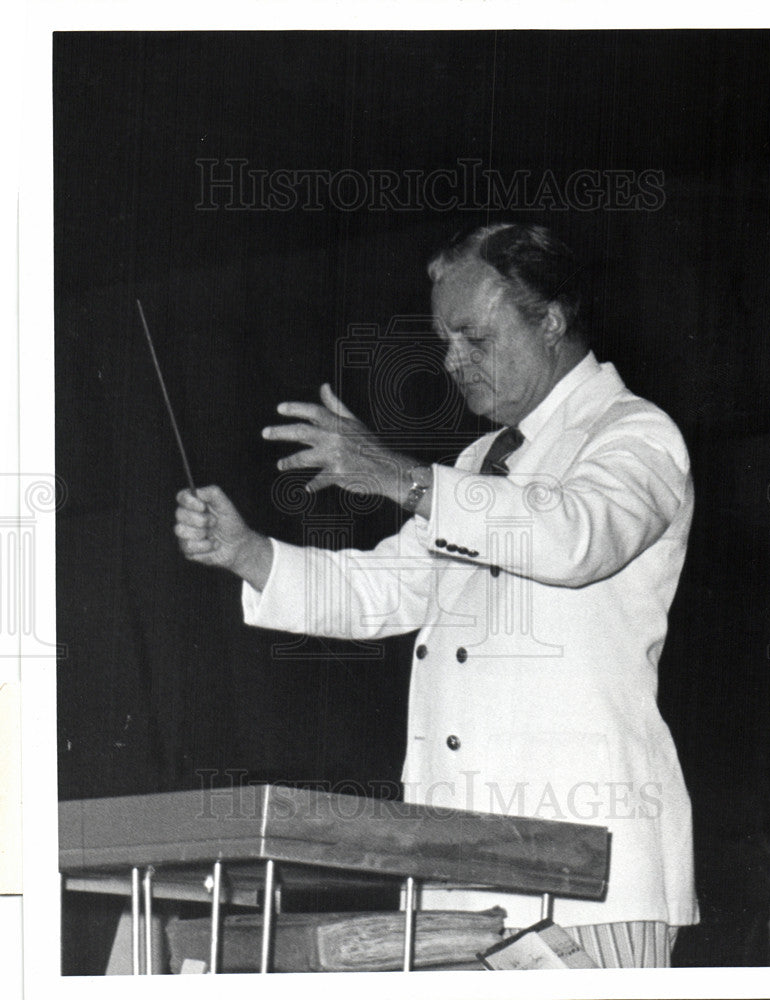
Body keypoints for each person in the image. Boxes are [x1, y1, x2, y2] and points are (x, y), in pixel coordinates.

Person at [174, 223, 698, 967]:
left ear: (549, 320)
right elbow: (389, 588)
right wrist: (252, 555)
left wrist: (400, 478)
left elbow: (575, 539)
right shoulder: (481, 460)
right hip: (462, 879)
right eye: (443, 341)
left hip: (594, 879)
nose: (453, 363)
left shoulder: (636, 434)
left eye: (474, 339)